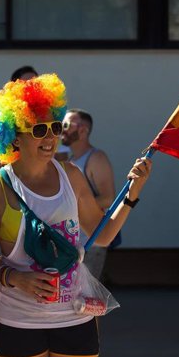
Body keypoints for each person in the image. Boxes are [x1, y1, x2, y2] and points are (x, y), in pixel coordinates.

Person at [0, 74, 151, 357]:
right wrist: (16, 278)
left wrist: (133, 193)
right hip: (18, 320)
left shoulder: (71, 175)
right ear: (13, 137)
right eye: (37, 130)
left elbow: (103, 235)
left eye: (55, 127)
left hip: (75, 317)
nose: (49, 138)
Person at [61, 108, 116, 279]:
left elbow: (108, 198)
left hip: (92, 241)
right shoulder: (71, 161)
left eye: (67, 125)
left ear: (83, 130)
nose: (62, 129)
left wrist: (72, 206)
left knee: (88, 300)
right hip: (74, 242)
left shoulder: (96, 158)